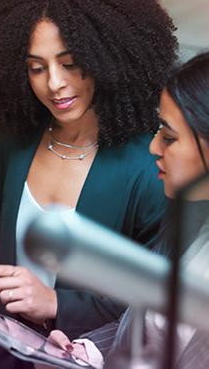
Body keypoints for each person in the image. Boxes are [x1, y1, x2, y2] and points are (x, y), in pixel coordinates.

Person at [0, 0, 178, 369]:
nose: (54, 83)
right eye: (37, 67)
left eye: (70, 63)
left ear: (110, 59)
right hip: (13, 350)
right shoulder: (17, 135)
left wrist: (55, 304)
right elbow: (4, 213)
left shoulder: (148, 167)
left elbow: (155, 298)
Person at [42, 51, 209, 369]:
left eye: (170, 138)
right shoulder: (183, 212)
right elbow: (143, 324)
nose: (153, 147)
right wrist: (87, 352)